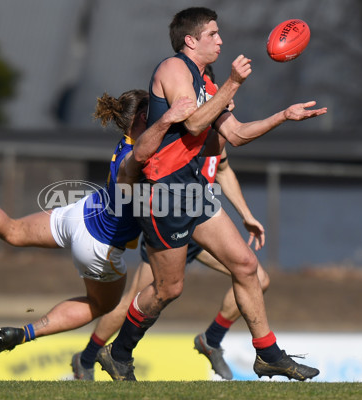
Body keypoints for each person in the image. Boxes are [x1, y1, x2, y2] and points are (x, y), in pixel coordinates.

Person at [96, 7, 327, 382]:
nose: (221, 40)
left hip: (191, 190)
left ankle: (268, 354)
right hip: (163, 191)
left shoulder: (207, 83)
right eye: (213, 34)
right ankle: (117, 354)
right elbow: (192, 122)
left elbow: (233, 135)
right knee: (168, 289)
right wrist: (234, 83)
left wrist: (283, 115)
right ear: (191, 40)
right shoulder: (173, 69)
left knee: (246, 265)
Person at [0, 90, 196, 357]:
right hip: (99, 243)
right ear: (144, 117)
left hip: (79, 214)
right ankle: (26, 333)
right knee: (102, 306)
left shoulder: (127, 143)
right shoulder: (138, 154)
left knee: (14, 231)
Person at [71, 68, 270, 381]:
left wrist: (246, 214)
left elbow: (224, 170)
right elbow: (133, 178)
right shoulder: (178, 133)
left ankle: (211, 339)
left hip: (201, 224)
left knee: (256, 277)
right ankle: (86, 358)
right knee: (138, 302)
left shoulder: (215, 133)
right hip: (167, 224)